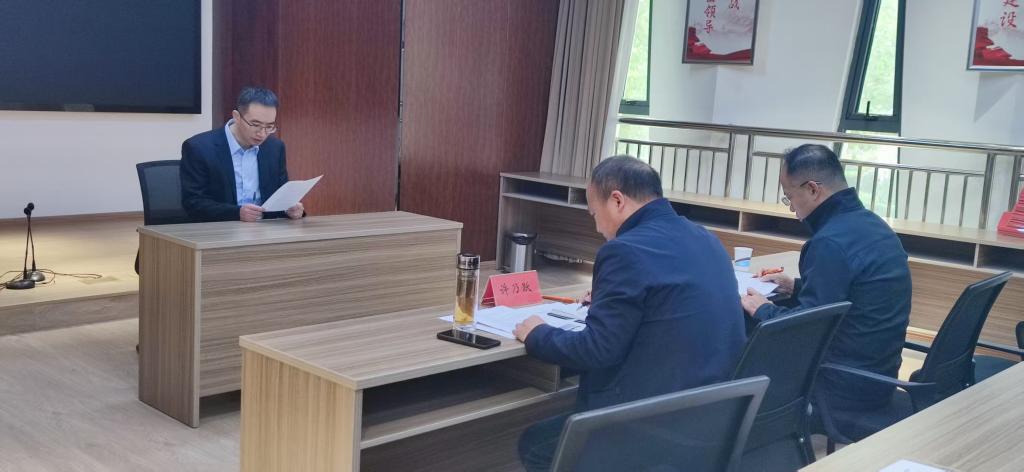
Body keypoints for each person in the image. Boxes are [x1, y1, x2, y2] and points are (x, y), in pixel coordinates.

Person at [513, 155, 747, 471]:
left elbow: (596, 350)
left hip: (649, 424)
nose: (597, 227)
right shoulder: (705, 237)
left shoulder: (623, 250)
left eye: (594, 214)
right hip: (710, 418)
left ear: (617, 201)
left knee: (536, 444)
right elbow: (665, 302)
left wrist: (537, 333)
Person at [739, 144, 912, 430]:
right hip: (879, 377)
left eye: (789, 197)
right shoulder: (875, 226)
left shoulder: (829, 242)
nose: (791, 208)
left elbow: (807, 332)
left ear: (812, 189)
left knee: (743, 339)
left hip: (840, 387)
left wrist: (764, 310)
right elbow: (853, 294)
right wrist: (796, 287)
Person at [180, 87, 304, 222]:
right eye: (255, 124)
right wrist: (237, 213)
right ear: (237, 117)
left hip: (265, 228)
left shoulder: (275, 148)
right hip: (220, 229)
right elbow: (193, 203)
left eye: (269, 127)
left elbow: (281, 195)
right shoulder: (199, 148)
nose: (262, 134)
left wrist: (290, 209)